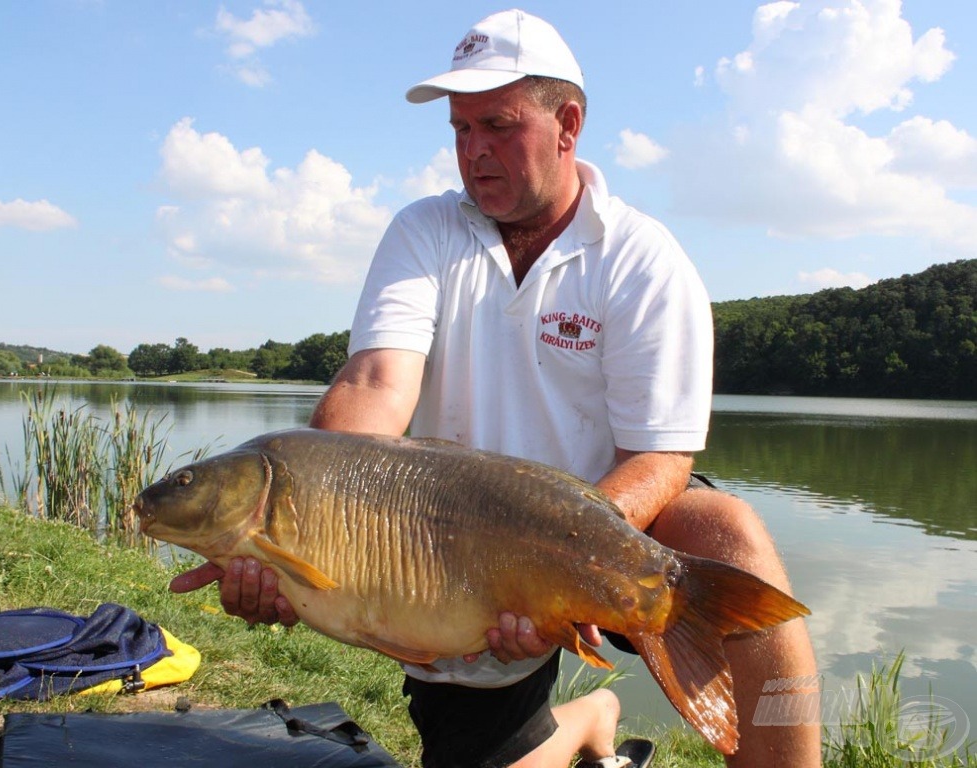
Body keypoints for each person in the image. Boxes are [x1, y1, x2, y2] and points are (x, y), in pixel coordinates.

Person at [171, 9, 820, 767]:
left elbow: (661, 457)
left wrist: (560, 556)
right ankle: (586, 717)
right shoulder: (424, 232)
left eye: (498, 126)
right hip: (443, 540)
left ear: (567, 123)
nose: (473, 152)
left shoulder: (643, 258)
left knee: (727, 535)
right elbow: (376, 380)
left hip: (605, 516)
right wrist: (298, 525)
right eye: (460, 129)